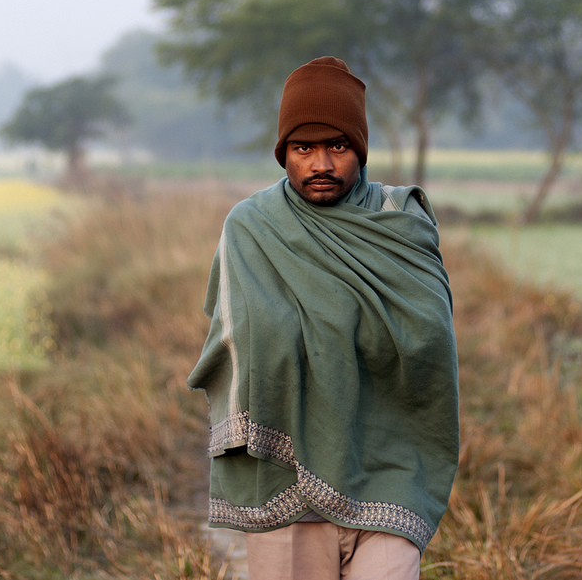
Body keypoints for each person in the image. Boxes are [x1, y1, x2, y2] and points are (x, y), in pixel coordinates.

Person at [188, 56, 459, 580]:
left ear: (359, 150)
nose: (321, 164)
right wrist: (343, 327)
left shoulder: (399, 223)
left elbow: (428, 339)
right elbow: (239, 341)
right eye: (303, 148)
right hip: (285, 480)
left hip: (388, 469)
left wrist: (327, 325)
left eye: (337, 146)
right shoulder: (251, 228)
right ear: (283, 153)